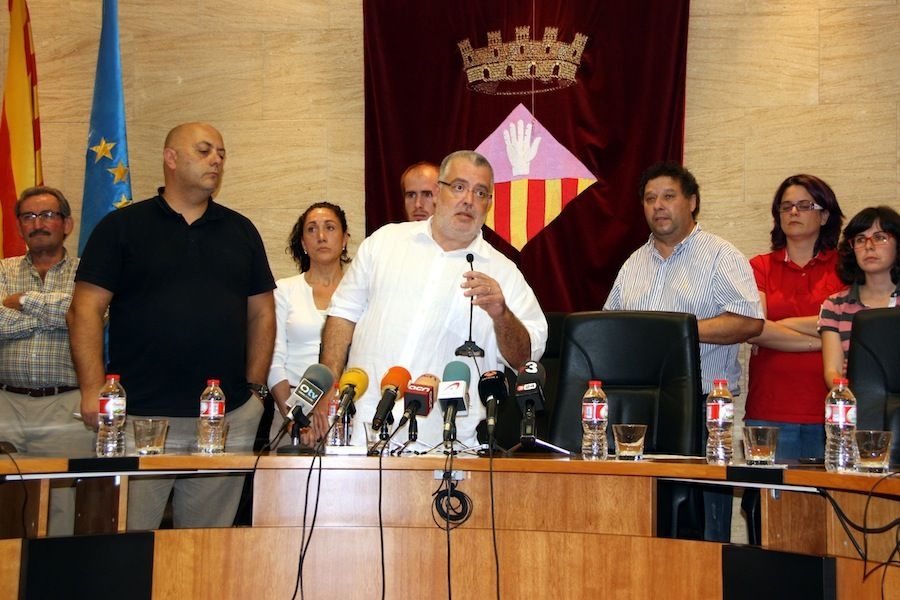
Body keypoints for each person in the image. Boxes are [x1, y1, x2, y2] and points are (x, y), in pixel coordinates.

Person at [67, 122, 276, 530]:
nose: (216, 160)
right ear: (171, 158)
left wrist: (254, 391)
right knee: (129, 543)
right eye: (204, 150)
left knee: (205, 549)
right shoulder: (121, 227)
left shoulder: (241, 231)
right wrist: (93, 390)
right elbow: (84, 310)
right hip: (138, 418)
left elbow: (262, 313)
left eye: (221, 153)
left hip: (223, 417)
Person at [318, 150, 547, 450]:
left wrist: (502, 314)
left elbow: (526, 358)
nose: (469, 200)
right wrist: (329, 387)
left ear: (489, 204)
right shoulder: (385, 243)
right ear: (438, 192)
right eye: (459, 187)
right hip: (360, 433)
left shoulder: (504, 273)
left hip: (443, 445)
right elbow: (342, 316)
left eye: (480, 192)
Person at [603, 161, 763, 542]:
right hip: (641, 410)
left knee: (702, 525)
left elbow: (749, 321)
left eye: (668, 196)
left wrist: (679, 334)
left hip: (704, 410)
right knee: (644, 520)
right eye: (650, 198)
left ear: (691, 202)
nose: (658, 205)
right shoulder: (633, 264)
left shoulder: (720, 255)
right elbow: (611, 328)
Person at [0, 186, 93, 535]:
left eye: (48, 215)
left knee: (61, 508)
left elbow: (89, 315)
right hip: (5, 404)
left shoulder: (89, 273)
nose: (38, 223)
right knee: (5, 506)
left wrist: (23, 301)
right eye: (29, 216)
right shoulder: (3, 269)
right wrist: (59, 315)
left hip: (66, 405)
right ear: (19, 226)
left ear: (67, 224)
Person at [745, 175, 845, 459]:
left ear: (824, 215)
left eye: (804, 205)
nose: (793, 212)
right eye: (786, 206)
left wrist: (780, 326)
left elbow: (851, 323)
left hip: (830, 410)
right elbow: (755, 329)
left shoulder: (845, 267)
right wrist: (827, 339)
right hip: (769, 408)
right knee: (767, 490)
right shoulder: (760, 266)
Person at [266, 202, 351, 447]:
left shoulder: (359, 292)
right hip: (291, 409)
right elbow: (273, 360)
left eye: (330, 227)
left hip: (344, 412)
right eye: (312, 229)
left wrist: (331, 405)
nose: (321, 236)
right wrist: (294, 418)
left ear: (345, 239)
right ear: (303, 243)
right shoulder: (284, 290)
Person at [819, 206, 900, 387]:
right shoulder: (836, 305)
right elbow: (833, 371)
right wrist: (846, 391)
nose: (869, 246)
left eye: (879, 237)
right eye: (860, 239)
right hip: (857, 399)